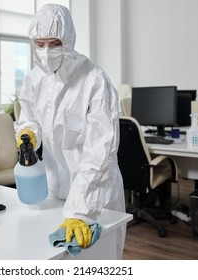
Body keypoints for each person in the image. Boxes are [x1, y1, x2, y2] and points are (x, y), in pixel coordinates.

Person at [16, 4, 125, 255]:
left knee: (101, 261)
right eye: (39, 44)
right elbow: (28, 116)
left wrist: (81, 210)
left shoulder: (95, 80)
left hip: (95, 193)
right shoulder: (34, 79)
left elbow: (100, 153)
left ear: (68, 40)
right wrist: (30, 131)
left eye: (53, 43)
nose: (46, 52)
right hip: (54, 189)